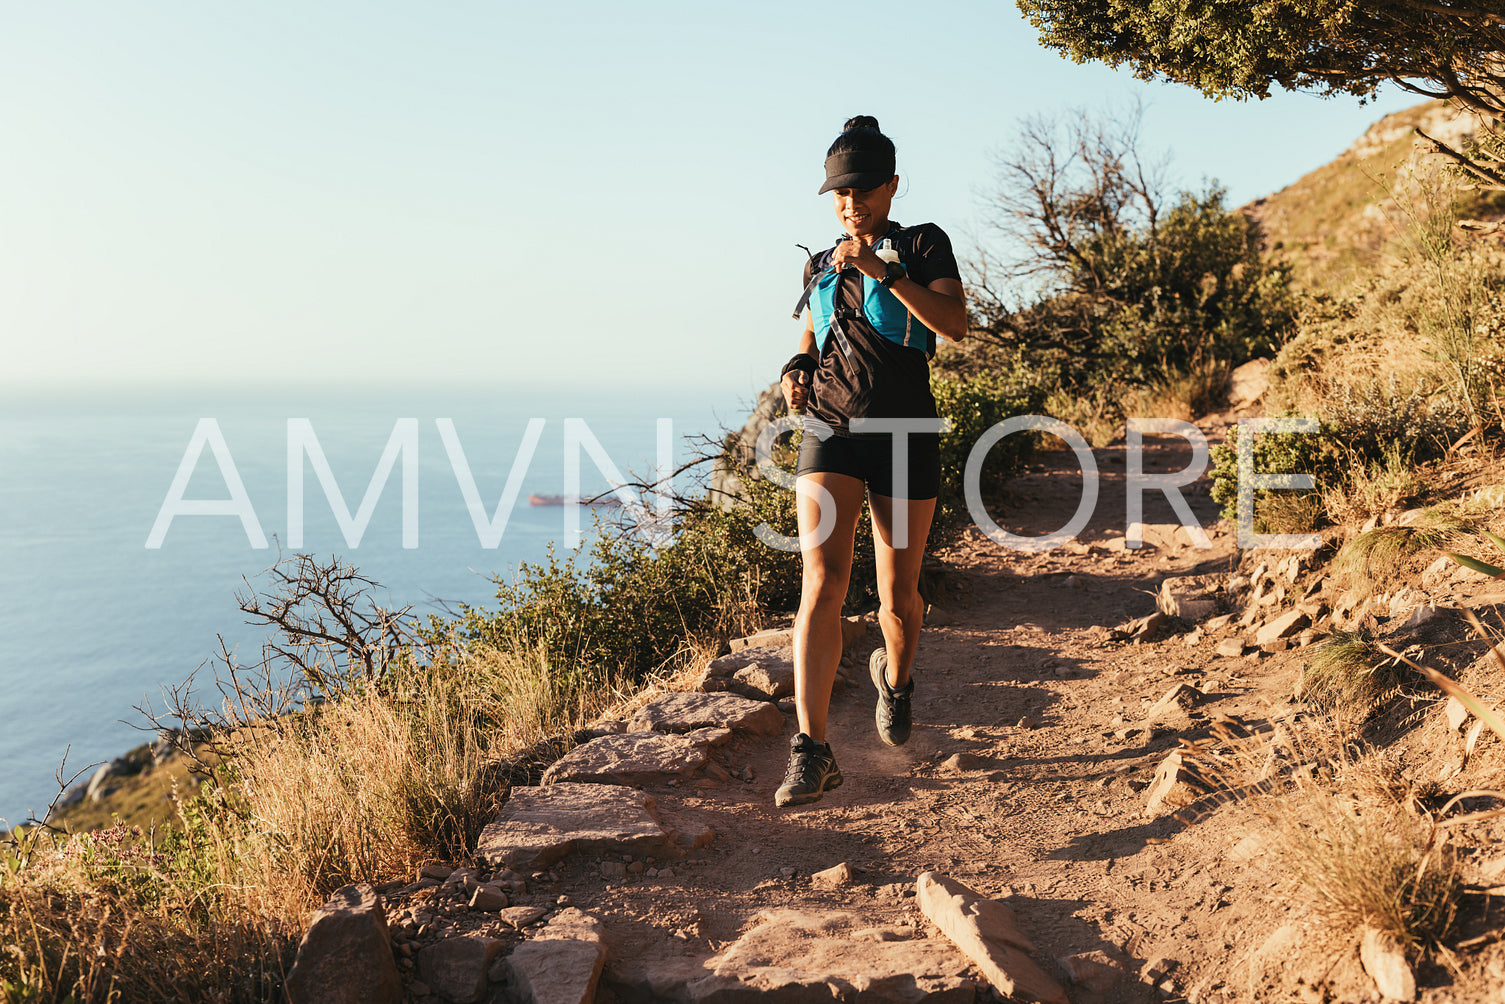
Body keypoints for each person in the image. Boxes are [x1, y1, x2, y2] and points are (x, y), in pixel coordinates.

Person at [774, 115, 967, 807]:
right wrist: (797, 362)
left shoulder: (921, 243)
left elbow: (953, 324)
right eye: (836, 191)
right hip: (829, 430)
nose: (848, 202)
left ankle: (898, 678)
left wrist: (882, 272)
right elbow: (814, 325)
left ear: (889, 185)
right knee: (821, 583)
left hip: (906, 431)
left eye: (860, 189)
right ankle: (811, 749)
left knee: (897, 598)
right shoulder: (818, 261)